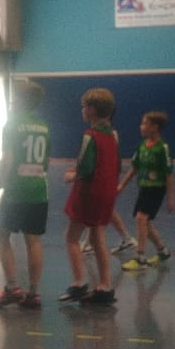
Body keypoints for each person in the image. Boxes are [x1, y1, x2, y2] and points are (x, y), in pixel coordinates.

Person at [0, 78, 49, 311]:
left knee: (1, 235)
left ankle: (12, 287)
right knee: (33, 240)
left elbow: (8, 159)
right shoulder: (43, 126)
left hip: (16, 190)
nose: (11, 101)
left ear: (21, 100)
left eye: (14, 97)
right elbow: (45, 161)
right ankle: (33, 293)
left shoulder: (12, 124)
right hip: (38, 188)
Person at [60, 87, 120, 306]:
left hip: (88, 193)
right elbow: (116, 166)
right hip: (106, 192)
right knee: (97, 238)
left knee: (71, 237)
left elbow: (85, 168)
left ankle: (78, 283)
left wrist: (71, 175)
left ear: (92, 110)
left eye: (83, 106)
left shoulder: (90, 135)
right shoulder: (113, 135)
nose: (82, 110)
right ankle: (105, 286)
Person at [118, 111, 175, 269]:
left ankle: (140, 257)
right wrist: (121, 185)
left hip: (156, 189)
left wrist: (171, 198)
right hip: (143, 188)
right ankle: (162, 251)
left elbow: (169, 174)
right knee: (145, 222)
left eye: (144, 123)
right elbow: (134, 168)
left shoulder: (162, 148)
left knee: (141, 218)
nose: (141, 126)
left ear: (154, 127)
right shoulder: (142, 146)